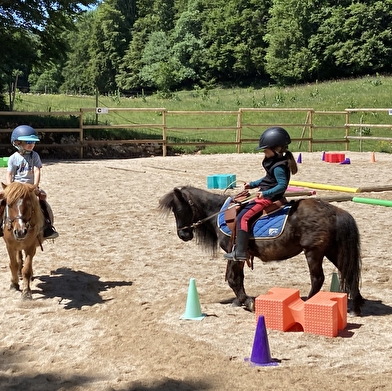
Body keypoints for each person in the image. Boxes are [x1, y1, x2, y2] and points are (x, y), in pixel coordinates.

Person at [224, 126, 297, 261]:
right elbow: (268, 179)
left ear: (276, 149)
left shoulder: (279, 167)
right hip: (265, 194)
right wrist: (252, 184)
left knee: (243, 217)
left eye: (265, 150)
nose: (264, 152)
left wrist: (265, 193)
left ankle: (240, 252)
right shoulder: (274, 162)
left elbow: (281, 185)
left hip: (268, 198)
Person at [0, 125, 59, 239]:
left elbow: (37, 170)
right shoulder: (13, 158)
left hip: (30, 186)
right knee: (3, 199)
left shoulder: (35, 156)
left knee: (42, 197)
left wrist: (35, 185)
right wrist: (10, 188)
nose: (31, 144)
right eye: (28, 141)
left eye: (33, 142)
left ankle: (47, 225)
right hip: (16, 187)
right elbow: (10, 174)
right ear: (17, 143)